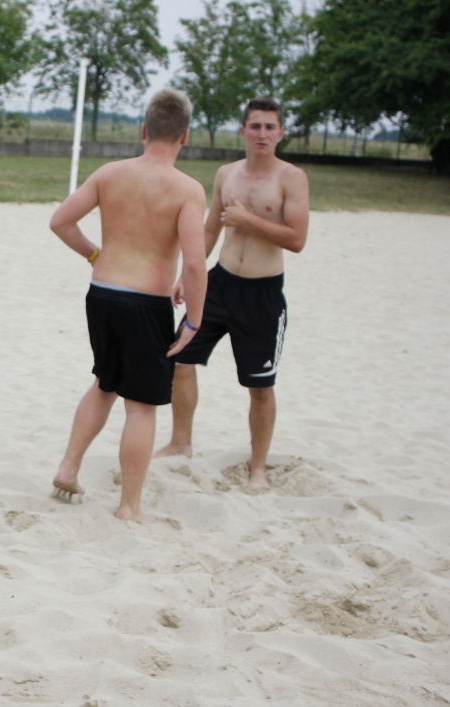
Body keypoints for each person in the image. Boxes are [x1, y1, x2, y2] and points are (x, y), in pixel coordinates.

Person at [49, 89, 207, 522]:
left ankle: (68, 466)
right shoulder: (187, 189)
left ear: (143, 130)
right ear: (184, 137)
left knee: (105, 382)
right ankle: (130, 506)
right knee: (141, 406)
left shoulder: (110, 173)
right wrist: (193, 319)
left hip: (102, 294)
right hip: (146, 303)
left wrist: (95, 255)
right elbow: (195, 263)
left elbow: (60, 221)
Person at [155, 97, 310, 489]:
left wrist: (248, 219)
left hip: (262, 294)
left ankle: (258, 467)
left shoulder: (291, 178)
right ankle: (180, 442)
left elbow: (296, 239)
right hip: (219, 283)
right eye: (254, 126)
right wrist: (187, 276)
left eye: (269, 127)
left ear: (280, 133)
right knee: (179, 357)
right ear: (242, 131)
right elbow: (209, 230)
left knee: (259, 385)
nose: (262, 134)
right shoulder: (227, 174)